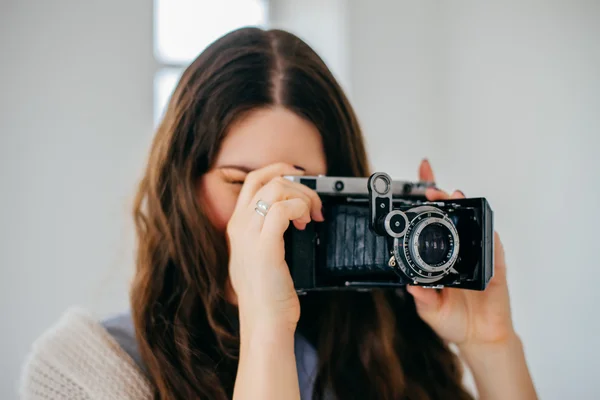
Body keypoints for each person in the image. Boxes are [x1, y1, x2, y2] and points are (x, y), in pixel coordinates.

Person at [19, 27, 537, 400]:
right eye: (242, 184)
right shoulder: (83, 372)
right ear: (181, 187)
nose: (272, 218)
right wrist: (265, 323)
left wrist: (491, 344)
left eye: (300, 189)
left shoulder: (385, 345)